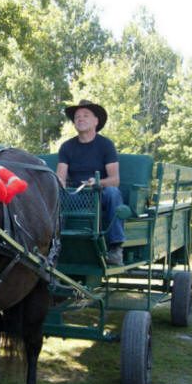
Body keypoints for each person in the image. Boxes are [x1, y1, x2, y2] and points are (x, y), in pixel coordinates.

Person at [57, 99, 124, 265]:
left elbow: (115, 180)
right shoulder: (66, 147)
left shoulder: (106, 145)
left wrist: (98, 182)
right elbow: (60, 178)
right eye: (77, 116)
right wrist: (60, 191)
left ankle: (116, 248)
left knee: (114, 193)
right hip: (76, 194)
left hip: (99, 192)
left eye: (85, 115)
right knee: (56, 198)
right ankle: (55, 245)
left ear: (96, 121)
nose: (80, 119)